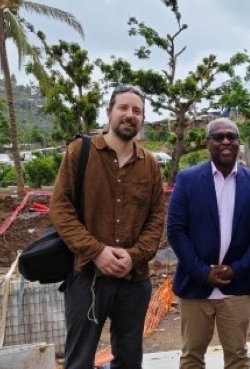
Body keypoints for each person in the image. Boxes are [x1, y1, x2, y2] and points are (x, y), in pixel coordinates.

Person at [49, 85, 166, 368]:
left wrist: (134, 255)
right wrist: (97, 251)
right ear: (109, 112)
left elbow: (156, 218)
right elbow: (60, 208)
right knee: (79, 359)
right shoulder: (81, 152)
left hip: (133, 280)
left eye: (136, 111)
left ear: (142, 118)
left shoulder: (149, 164)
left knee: (128, 359)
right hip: (88, 276)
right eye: (123, 108)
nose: (129, 115)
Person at [167, 118, 250, 369]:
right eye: (218, 136)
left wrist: (237, 268)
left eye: (231, 136)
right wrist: (203, 272)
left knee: (237, 358)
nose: (225, 141)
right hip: (195, 285)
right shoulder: (187, 179)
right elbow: (176, 230)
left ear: (238, 143)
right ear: (207, 143)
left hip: (236, 286)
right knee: (192, 357)